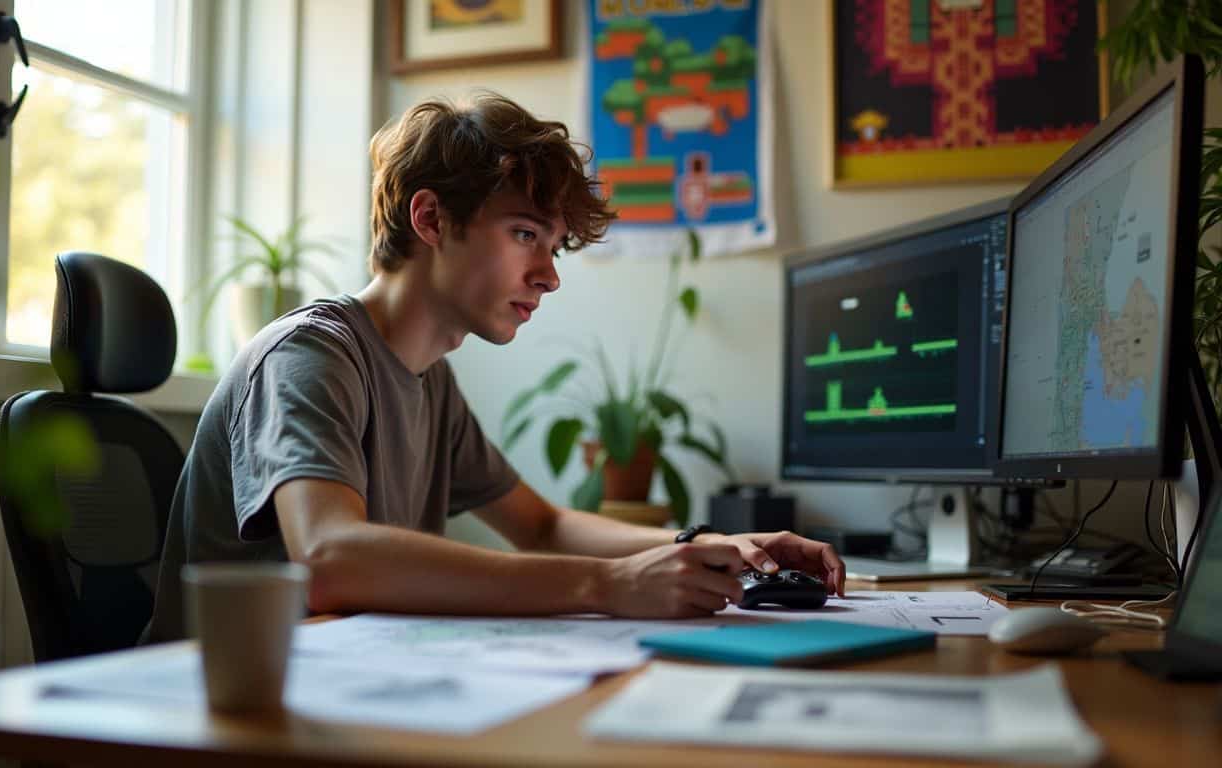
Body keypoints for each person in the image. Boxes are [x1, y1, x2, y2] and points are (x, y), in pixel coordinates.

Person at [143, 93, 844, 643]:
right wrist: (606, 585)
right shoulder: (309, 356)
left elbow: (541, 527)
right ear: (431, 219)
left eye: (555, 246)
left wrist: (715, 545)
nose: (548, 276)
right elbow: (331, 558)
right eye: (525, 234)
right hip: (217, 719)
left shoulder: (426, 375)